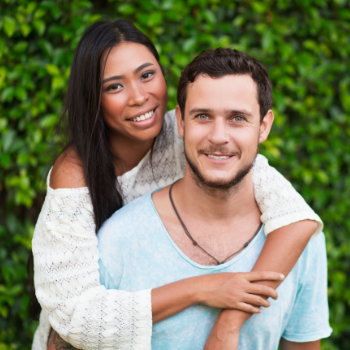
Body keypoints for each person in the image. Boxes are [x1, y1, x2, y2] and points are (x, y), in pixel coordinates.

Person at [32, 20, 322, 350]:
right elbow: (76, 317)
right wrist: (202, 288)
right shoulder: (75, 175)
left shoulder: (191, 132)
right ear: (93, 98)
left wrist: (230, 320)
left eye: (146, 75)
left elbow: (295, 214)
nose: (139, 96)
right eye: (114, 87)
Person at [97, 48, 332, 349]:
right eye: (203, 116)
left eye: (237, 118)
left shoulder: (302, 242)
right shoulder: (120, 240)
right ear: (180, 122)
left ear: (264, 126)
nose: (219, 136)